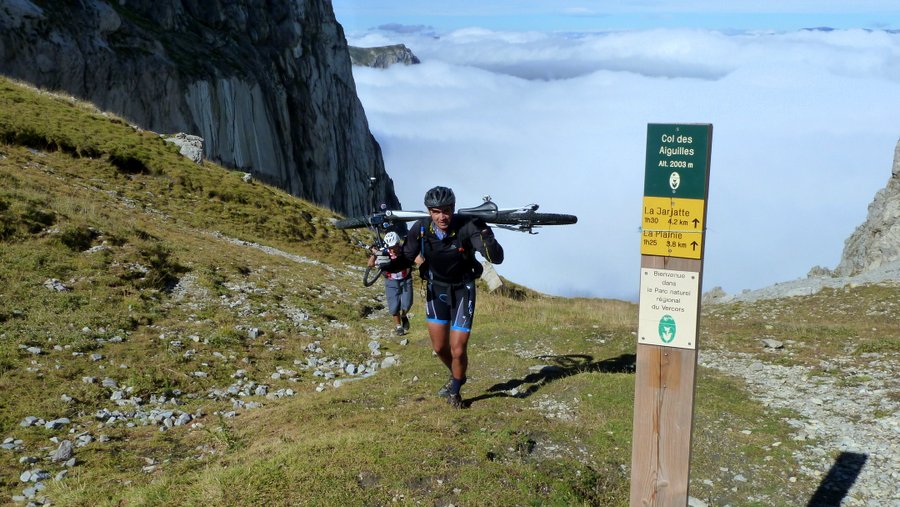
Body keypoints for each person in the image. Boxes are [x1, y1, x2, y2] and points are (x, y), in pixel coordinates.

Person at [378, 186, 503, 408]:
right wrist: (387, 264)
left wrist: (486, 234)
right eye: (436, 211)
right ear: (429, 212)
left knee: (458, 348)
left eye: (446, 210)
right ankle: (458, 375)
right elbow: (407, 258)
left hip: (463, 290)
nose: (441, 217)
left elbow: (497, 257)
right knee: (439, 348)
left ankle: (455, 390)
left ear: (453, 209)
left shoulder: (468, 226)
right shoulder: (422, 229)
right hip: (437, 290)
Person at [368, 231, 413, 336]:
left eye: (394, 246)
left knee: (407, 304)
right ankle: (398, 327)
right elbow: (370, 264)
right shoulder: (384, 253)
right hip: (391, 281)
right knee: (394, 306)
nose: (392, 249)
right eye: (390, 247)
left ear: (398, 244)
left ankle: (403, 316)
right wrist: (374, 253)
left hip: (406, 279)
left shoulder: (405, 250)